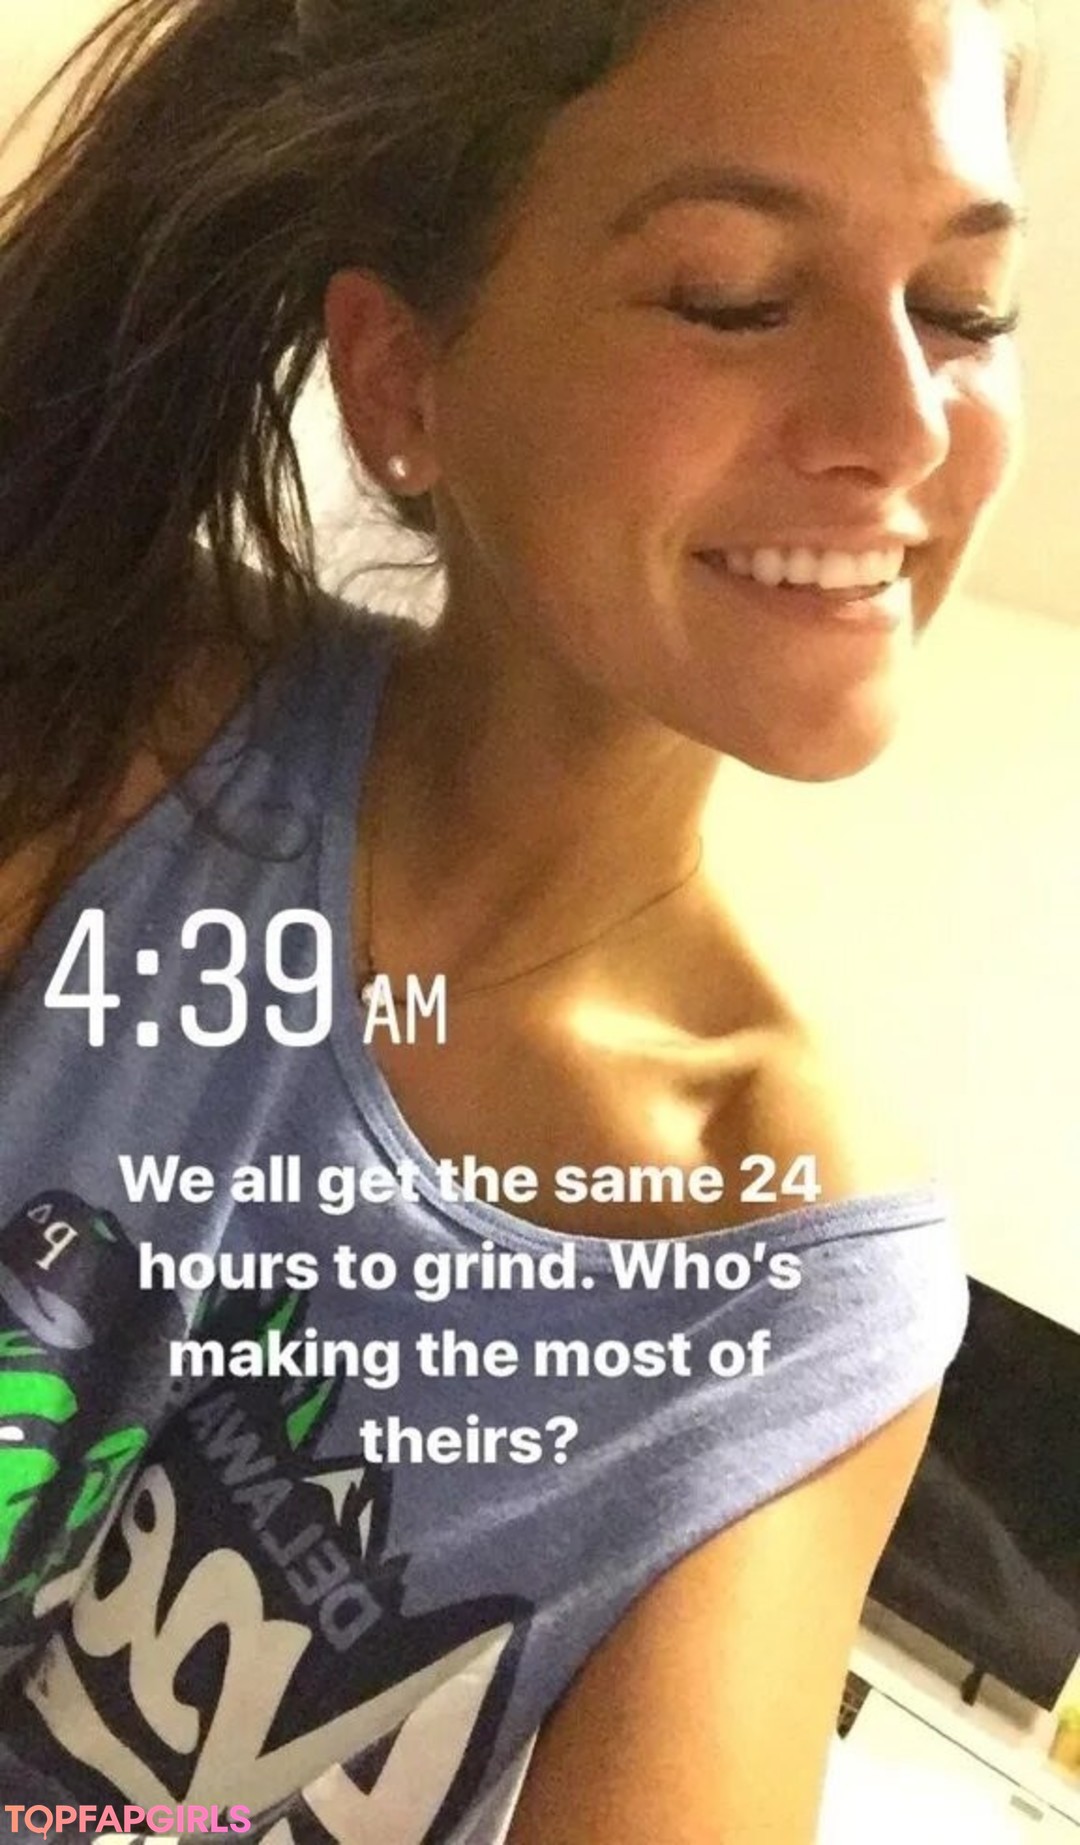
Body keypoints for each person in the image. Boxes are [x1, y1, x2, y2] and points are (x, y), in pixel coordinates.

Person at [0, 0, 1033, 1839]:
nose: (901, 426)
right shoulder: (117, 744)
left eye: (966, 310)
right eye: (734, 296)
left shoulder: (796, 1278)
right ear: (403, 383)